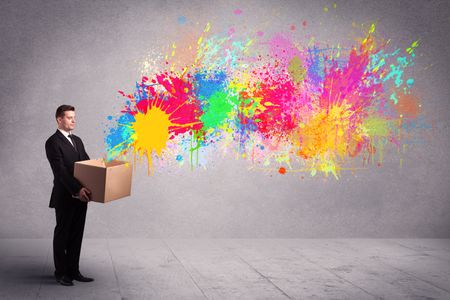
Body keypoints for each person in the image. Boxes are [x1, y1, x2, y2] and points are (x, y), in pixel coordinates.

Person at [45, 104, 94, 286]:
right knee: (63, 234)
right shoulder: (52, 142)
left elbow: (87, 165)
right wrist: (77, 189)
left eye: (74, 117)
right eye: (69, 117)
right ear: (59, 119)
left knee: (76, 234)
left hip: (82, 196)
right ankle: (61, 273)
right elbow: (60, 171)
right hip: (66, 196)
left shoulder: (78, 140)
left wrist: (99, 178)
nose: (74, 120)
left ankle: (74, 270)